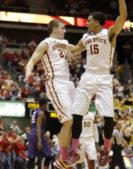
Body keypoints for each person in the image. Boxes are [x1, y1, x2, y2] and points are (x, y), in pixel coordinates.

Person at [67, 0, 127, 167]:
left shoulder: (109, 34)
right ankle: (73, 149)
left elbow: (123, 17)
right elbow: (75, 49)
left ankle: (106, 149)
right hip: (88, 76)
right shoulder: (86, 37)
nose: (86, 23)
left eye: (88, 20)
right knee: (77, 114)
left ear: (97, 22)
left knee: (108, 117)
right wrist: (60, 47)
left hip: (103, 77)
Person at [25, 19, 78, 168]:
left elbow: (78, 48)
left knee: (79, 118)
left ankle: (71, 152)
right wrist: (28, 72)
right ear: (54, 29)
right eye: (63, 28)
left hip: (68, 83)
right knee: (68, 121)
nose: (65, 31)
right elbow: (33, 59)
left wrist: (96, 40)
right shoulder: (46, 43)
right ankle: (63, 157)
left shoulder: (65, 43)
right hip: (56, 83)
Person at [27, 99, 52, 169]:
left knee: (31, 157)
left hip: (32, 134)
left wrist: (47, 138)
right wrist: (40, 141)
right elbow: (38, 127)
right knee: (48, 155)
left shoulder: (35, 112)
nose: (47, 106)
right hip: (37, 134)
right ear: (44, 105)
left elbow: (35, 126)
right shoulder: (41, 113)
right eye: (47, 104)